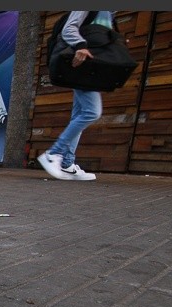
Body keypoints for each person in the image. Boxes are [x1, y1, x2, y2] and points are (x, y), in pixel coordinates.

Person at [37, 11, 116, 181]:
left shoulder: (111, 12)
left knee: (80, 114)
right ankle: (54, 153)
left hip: (92, 67)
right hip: (81, 66)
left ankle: (67, 164)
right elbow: (68, 29)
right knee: (92, 112)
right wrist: (80, 46)